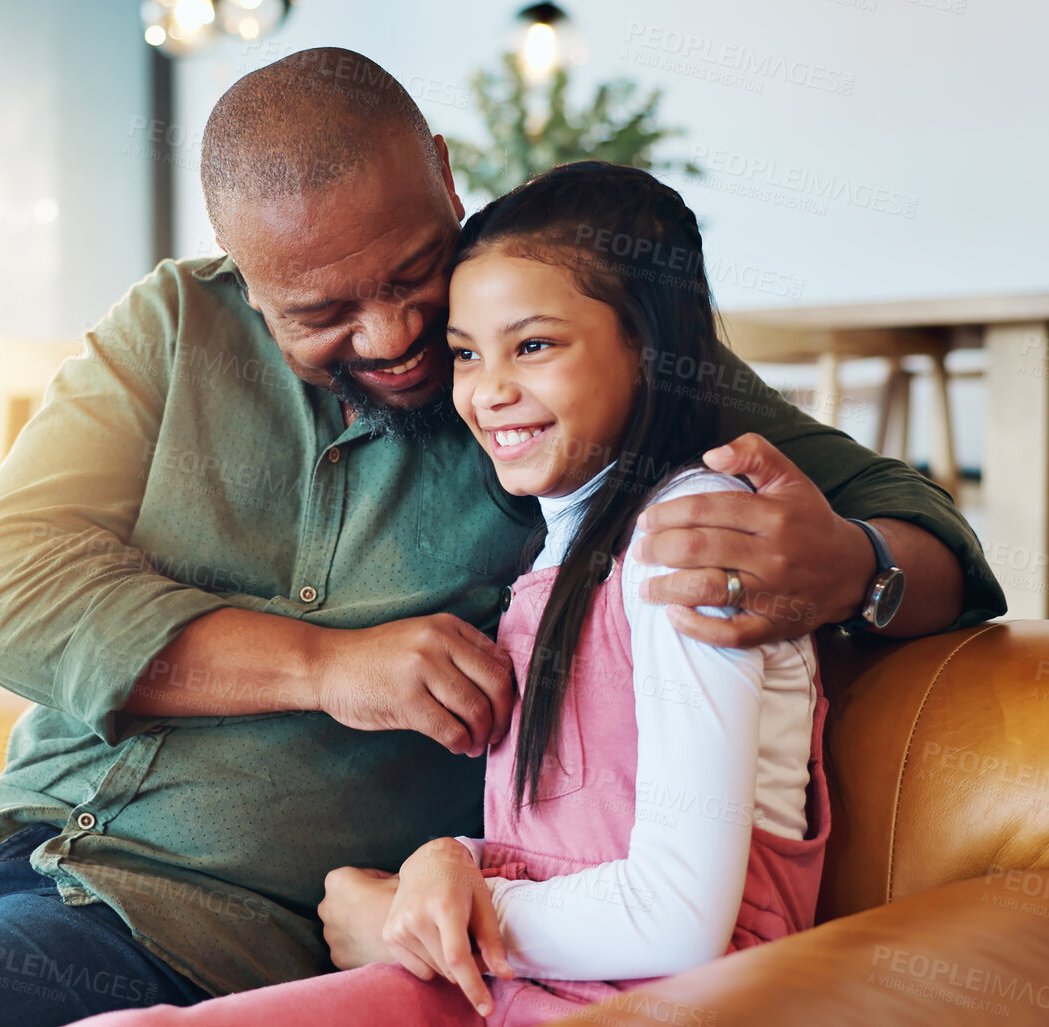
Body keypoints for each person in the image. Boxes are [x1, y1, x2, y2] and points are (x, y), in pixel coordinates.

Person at [0, 49, 1002, 1027]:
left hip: (183, 917)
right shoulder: (172, 330)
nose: (389, 333)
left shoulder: (566, 363)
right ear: (237, 271)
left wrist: (842, 570)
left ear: (445, 181)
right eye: (320, 307)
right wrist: (331, 663)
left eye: (408, 274)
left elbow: (916, 526)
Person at [78, 161, 830, 1027]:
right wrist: (448, 862)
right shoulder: (558, 558)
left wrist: (426, 915)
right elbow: (565, 846)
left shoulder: (692, 540)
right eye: (466, 353)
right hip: (526, 983)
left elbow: (678, 914)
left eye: (534, 345)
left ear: (650, 348)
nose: (488, 388)